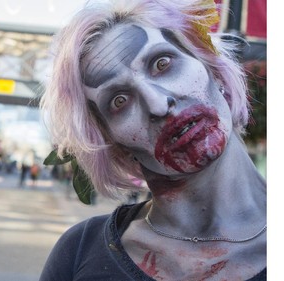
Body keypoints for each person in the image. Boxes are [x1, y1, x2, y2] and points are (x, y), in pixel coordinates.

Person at [39, 0, 266, 280]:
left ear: (212, 69)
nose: (158, 104)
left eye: (162, 64)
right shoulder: (79, 253)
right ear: (114, 145)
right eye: (119, 101)